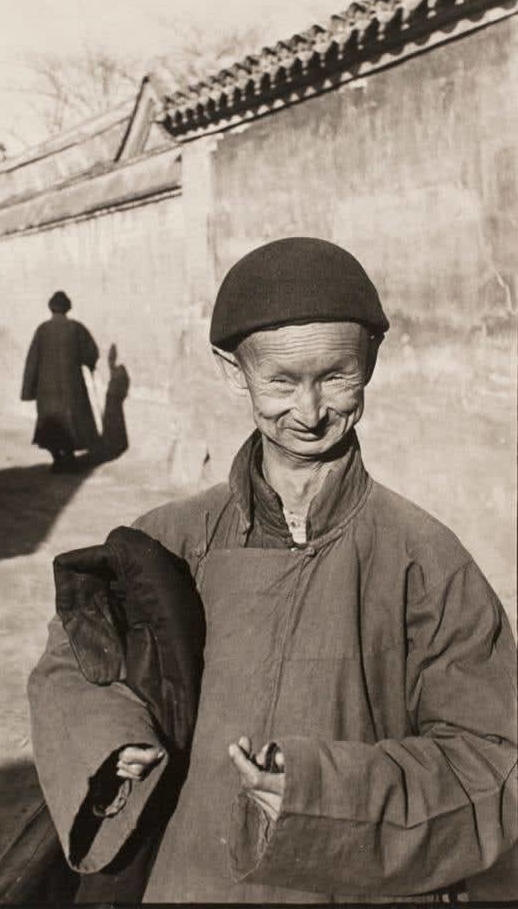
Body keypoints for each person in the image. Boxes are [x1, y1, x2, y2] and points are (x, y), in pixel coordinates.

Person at [27, 239, 517, 902]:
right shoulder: (168, 540)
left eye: (338, 377)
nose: (311, 412)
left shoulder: (424, 559)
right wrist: (116, 742)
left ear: (370, 360)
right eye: (281, 381)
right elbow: (73, 666)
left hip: (355, 880)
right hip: (187, 876)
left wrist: (322, 791)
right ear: (234, 371)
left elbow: (492, 757)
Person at [21, 291, 99, 472]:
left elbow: (32, 361)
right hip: (71, 386)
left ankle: (57, 459)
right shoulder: (76, 328)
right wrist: (89, 364)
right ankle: (70, 457)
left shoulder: (42, 330)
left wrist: (28, 390)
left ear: (50, 308)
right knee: (71, 420)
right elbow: (91, 352)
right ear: (68, 308)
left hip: (47, 388)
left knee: (51, 422)